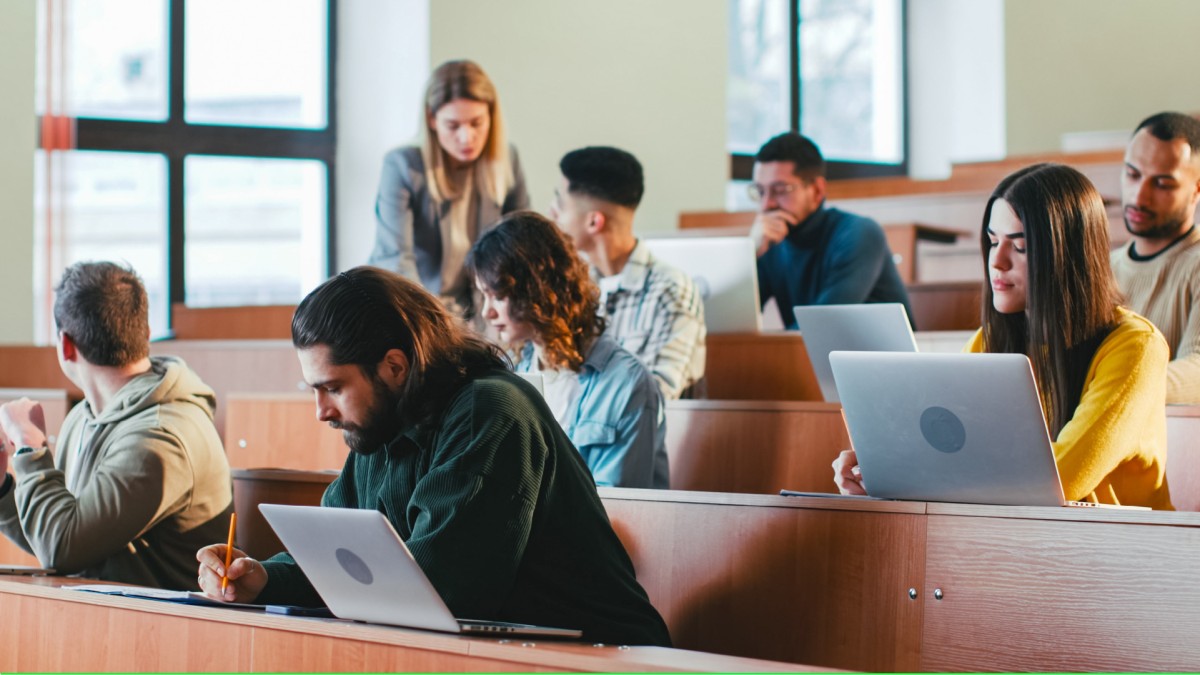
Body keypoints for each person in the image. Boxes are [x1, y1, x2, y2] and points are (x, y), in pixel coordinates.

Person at [195, 266, 671, 646]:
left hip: (602, 657)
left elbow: (440, 589)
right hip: (498, 653)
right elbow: (341, 564)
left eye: (333, 388)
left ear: (395, 367)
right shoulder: (378, 427)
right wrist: (261, 578)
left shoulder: (491, 409)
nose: (321, 412)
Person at [833, 164, 1173, 509]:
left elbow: (1061, 480)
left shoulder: (1136, 346)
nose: (997, 262)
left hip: (1123, 547)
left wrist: (919, 471)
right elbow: (955, 452)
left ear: (1067, 255)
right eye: (993, 241)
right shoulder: (988, 341)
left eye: (1020, 247)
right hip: (1020, 536)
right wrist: (882, 470)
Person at [0, 262, 233, 588]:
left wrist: (29, 445)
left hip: (163, 631)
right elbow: (58, 536)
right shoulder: (83, 416)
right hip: (106, 619)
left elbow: (61, 547)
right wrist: (4, 492)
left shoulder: (158, 439)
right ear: (145, 334)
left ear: (66, 345)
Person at [469, 211, 669, 489]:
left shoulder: (626, 383)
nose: (486, 312)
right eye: (484, 294)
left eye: (499, 296)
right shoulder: (513, 372)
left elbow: (617, 507)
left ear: (538, 291)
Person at [368, 59, 529, 317]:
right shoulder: (402, 165)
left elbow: (521, 247)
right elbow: (395, 260)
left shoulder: (508, 160)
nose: (466, 138)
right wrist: (436, 322)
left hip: (482, 311)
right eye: (453, 126)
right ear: (432, 120)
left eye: (476, 123)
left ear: (491, 116)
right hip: (414, 309)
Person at [548, 146, 706, 400]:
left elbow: (656, 397)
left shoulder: (669, 291)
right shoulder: (572, 286)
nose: (552, 213)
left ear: (593, 222)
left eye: (560, 203)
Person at [749, 132, 913, 329]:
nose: (767, 204)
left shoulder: (859, 234)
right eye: (760, 191)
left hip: (883, 358)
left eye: (780, 190)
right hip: (820, 357)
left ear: (817, 190)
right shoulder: (768, 243)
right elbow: (729, 321)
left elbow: (824, 325)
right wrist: (750, 253)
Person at [1111, 111, 1200, 404]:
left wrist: (1109, 391)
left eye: (1162, 184)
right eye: (1132, 174)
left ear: (1196, 189)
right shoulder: (1100, 267)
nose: (1139, 196)